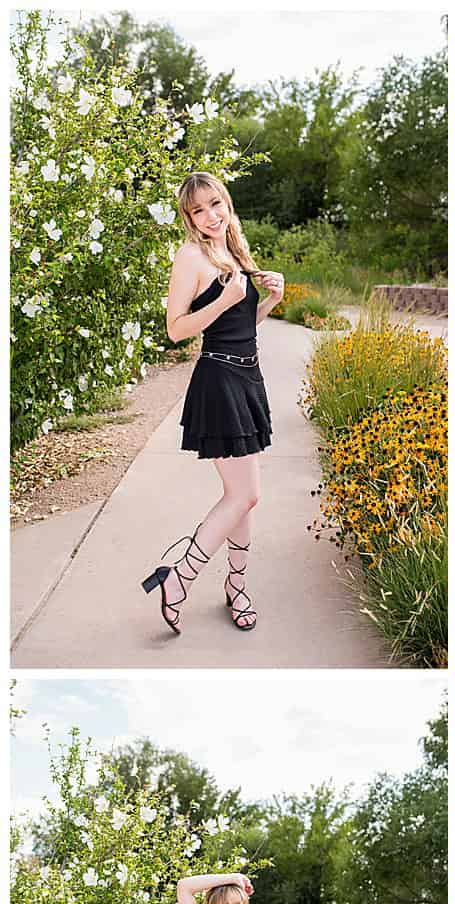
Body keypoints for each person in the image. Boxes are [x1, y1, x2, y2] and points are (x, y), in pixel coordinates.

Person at [141, 171, 285, 634]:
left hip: (247, 376)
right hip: (219, 380)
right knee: (245, 493)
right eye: (198, 210)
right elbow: (177, 329)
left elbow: (242, 324)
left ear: (226, 202)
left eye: (215, 204)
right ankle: (179, 578)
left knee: (243, 500)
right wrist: (224, 299)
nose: (210, 216)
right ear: (188, 217)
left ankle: (236, 586)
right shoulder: (191, 257)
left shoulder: (234, 251)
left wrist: (269, 302)